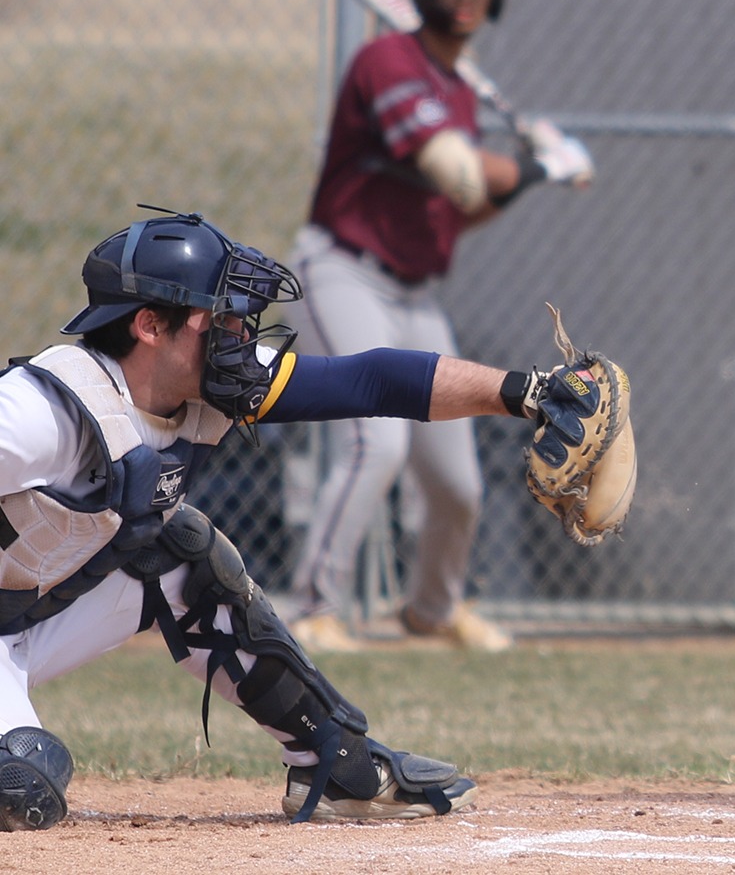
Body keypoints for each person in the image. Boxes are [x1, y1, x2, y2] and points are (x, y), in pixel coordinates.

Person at [0, 210, 608, 829]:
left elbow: (372, 381)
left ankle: (340, 768)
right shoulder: (41, 413)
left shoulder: (199, 386)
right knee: (25, 781)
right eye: (222, 319)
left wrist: (529, 392)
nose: (239, 337)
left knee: (183, 554)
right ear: (150, 325)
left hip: (22, 627)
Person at [283, 0, 593, 653]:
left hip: (416, 294)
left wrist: (521, 179)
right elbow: (455, 170)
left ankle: (431, 608)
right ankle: (310, 608)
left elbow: (465, 205)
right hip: (342, 271)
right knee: (377, 442)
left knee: (456, 482)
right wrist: (544, 167)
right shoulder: (388, 61)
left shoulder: (456, 92)